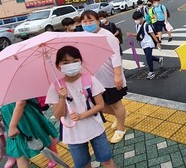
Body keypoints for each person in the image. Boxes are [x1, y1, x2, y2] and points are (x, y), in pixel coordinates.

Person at [46, 46, 115, 168]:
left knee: (106, 159)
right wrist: (62, 98)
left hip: (95, 127)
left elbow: (100, 105)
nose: (71, 65)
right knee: (82, 164)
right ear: (58, 66)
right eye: (65, 63)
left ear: (81, 62)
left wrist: (81, 115)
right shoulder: (56, 87)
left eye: (75, 61)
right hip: (74, 134)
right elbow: (58, 115)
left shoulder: (90, 80)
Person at [80, 10, 127, 144]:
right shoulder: (83, 36)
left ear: (98, 21)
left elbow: (115, 56)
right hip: (95, 78)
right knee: (99, 104)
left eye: (91, 21)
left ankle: (121, 128)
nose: (88, 24)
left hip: (110, 76)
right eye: (84, 21)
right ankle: (121, 115)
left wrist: (117, 76)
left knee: (115, 103)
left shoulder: (107, 35)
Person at [1, 99, 59, 168]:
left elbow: (21, 102)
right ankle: (54, 156)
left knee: (41, 136)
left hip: (24, 115)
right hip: (10, 116)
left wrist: (12, 126)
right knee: (19, 150)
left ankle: (54, 156)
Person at [127, 11, 163, 80]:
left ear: (140, 18)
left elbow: (153, 34)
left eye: (136, 19)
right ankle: (159, 60)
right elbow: (138, 34)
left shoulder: (147, 25)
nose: (136, 21)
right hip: (143, 44)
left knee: (148, 57)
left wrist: (158, 42)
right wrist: (131, 34)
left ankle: (151, 72)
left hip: (149, 43)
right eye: (135, 20)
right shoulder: (137, 26)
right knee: (148, 56)